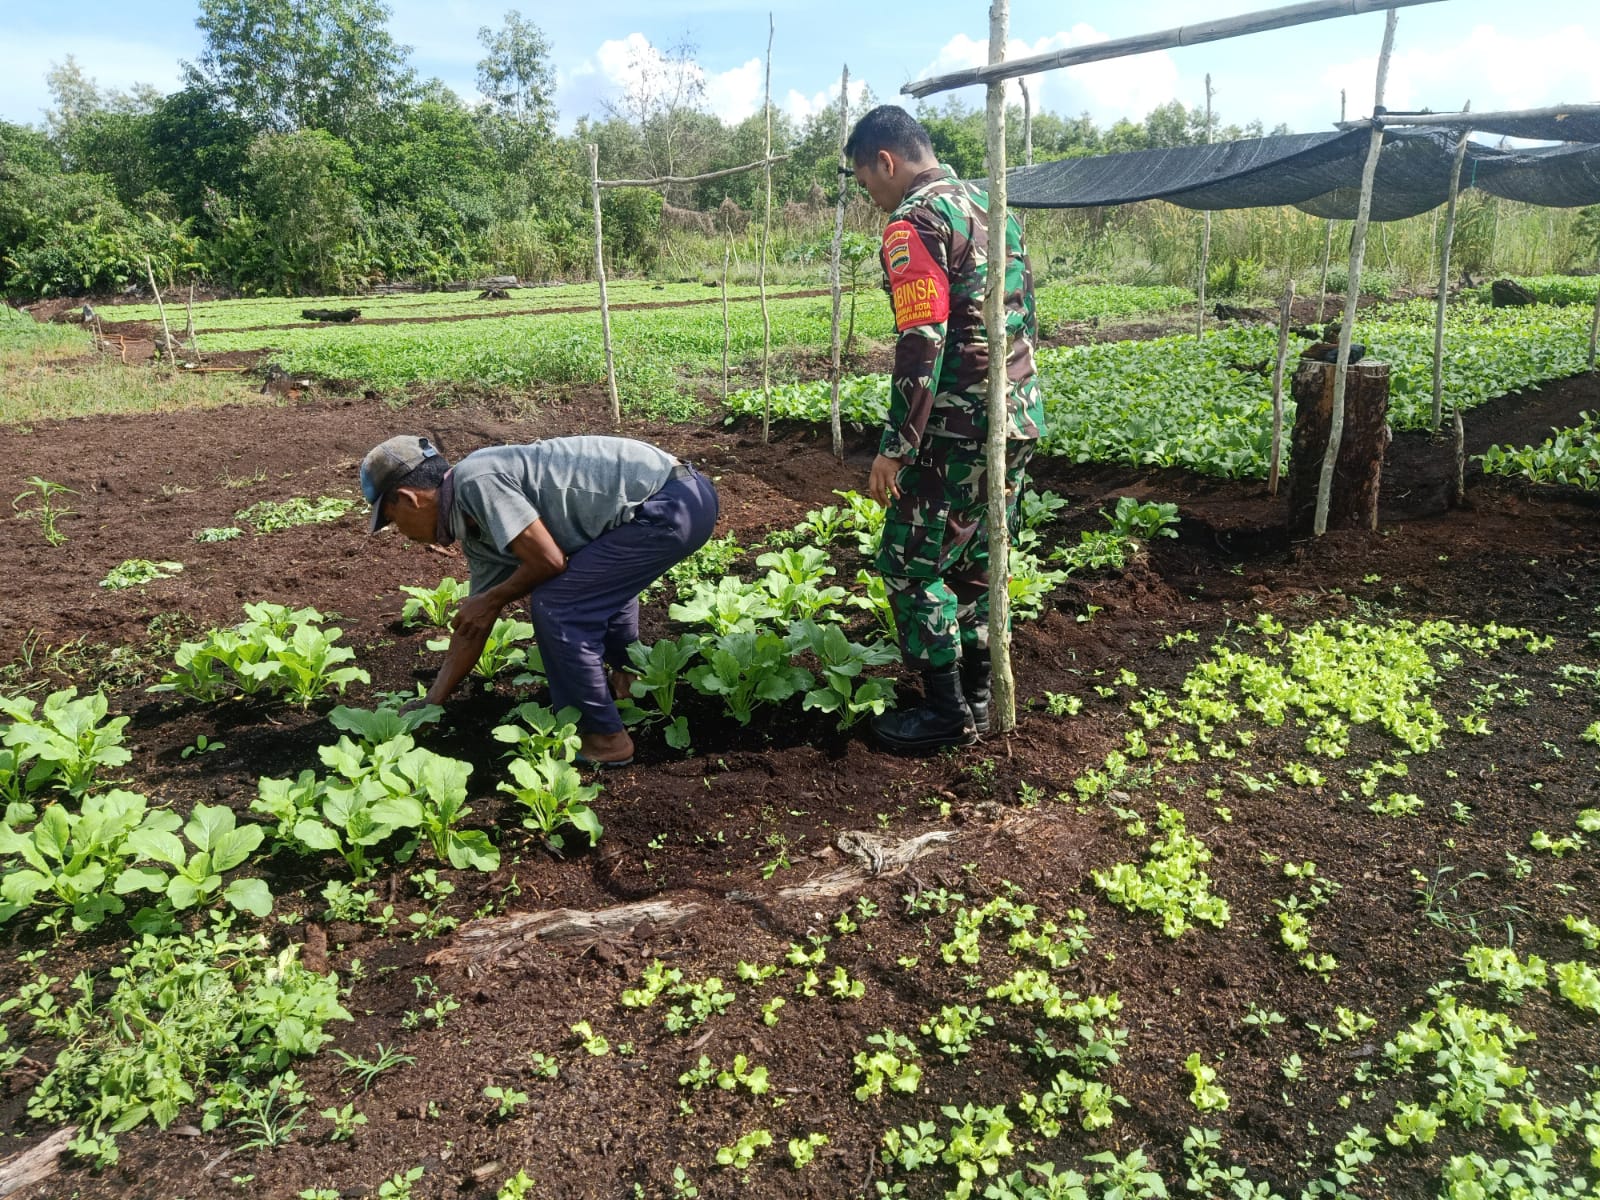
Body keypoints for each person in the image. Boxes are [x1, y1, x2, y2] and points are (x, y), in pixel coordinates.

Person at [847, 104, 1045, 754]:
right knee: (981, 557)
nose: (870, 197)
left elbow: (923, 337)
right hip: (1013, 415)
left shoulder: (915, 222)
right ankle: (982, 699)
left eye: (864, 180)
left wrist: (897, 448)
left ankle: (944, 713)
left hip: (954, 429)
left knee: (906, 563)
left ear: (887, 161)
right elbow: (1024, 317)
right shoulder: (997, 210)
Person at [360, 434, 719, 766]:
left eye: (392, 521)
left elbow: (549, 561)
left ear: (409, 499)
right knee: (588, 583)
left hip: (672, 503)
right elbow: (474, 625)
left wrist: (492, 599)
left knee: (560, 606)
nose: (401, 534)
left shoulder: (476, 480)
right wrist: (431, 702)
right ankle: (629, 680)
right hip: (674, 501)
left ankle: (605, 740)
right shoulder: (476, 529)